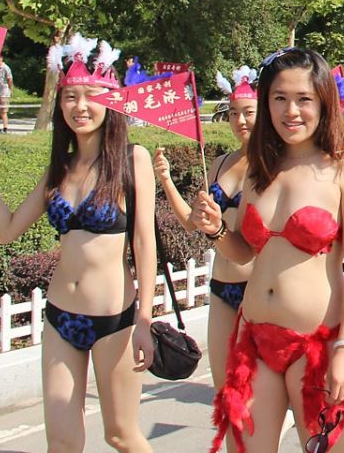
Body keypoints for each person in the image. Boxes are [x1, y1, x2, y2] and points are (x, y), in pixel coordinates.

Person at [0, 36, 155, 452]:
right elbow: (8, 229)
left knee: (121, 435)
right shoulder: (60, 169)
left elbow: (144, 244)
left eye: (89, 95)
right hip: (60, 319)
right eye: (70, 96)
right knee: (63, 443)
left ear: (112, 100)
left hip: (115, 322)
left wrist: (144, 319)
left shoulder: (132, 159)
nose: (79, 106)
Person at [199, 47, 344, 453]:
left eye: (303, 100)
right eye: (279, 99)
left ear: (323, 103)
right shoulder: (259, 168)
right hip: (254, 339)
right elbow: (243, 252)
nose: (291, 111)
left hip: (318, 344)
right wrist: (215, 231)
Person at [154, 66, 257, 451]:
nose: (240, 120)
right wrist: (165, 180)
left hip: (258, 287)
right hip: (221, 286)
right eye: (233, 113)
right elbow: (192, 223)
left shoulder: (272, 164)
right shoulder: (218, 164)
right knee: (225, 388)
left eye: (248, 111)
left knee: (254, 392)